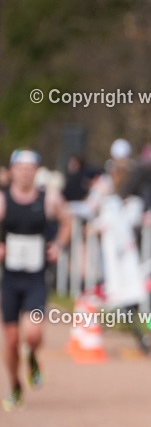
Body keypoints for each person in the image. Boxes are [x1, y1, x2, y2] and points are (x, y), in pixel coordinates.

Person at [0, 149, 71, 410]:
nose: (25, 171)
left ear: (37, 171)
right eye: (20, 167)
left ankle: (31, 359)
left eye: (30, 167)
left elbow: (67, 221)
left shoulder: (48, 198)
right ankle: (15, 385)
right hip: (10, 279)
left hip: (36, 278)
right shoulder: (3, 200)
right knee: (10, 340)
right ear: (12, 170)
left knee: (33, 334)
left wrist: (59, 245)